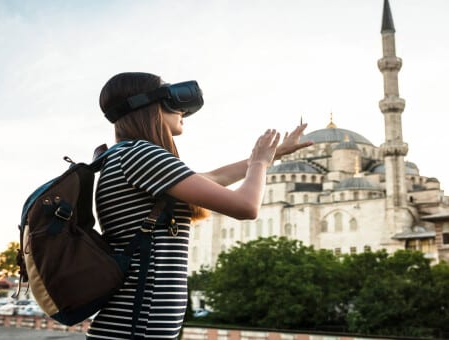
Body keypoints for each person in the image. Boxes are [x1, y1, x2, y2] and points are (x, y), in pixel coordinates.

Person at [86, 72, 313, 339]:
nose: (182, 110)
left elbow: (215, 178)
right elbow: (246, 206)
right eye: (171, 101)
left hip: (131, 326)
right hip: (136, 328)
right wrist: (260, 162)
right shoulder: (141, 154)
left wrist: (274, 154)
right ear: (148, 106)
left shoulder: (124, 155)